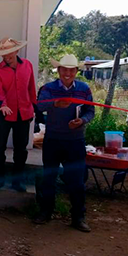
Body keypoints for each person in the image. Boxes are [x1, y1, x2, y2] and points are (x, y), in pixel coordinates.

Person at [34, 55, 94, 232]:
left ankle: (78, 217)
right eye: (64, 70)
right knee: (49, 178)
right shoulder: (48, 88)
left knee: (76, 181)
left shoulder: (84, 89)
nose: (68, 73)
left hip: (75, 141)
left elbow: (90, 111)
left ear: (76, 71)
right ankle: (46, 212)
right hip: (53, 140)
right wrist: (55, 103)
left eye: (71, 70)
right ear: (58, 70)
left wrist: (82, 120)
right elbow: (39, 106)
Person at [0, 38, 37, 192]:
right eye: (3, 54)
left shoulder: (27, 65)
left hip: (24, 113)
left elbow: (31, 88)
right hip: (4, 114)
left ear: (16, 51)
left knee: (21, 149)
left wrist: (35, 107)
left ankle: (17, 181)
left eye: (9, 52)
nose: (6, 56)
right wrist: (2, 105)